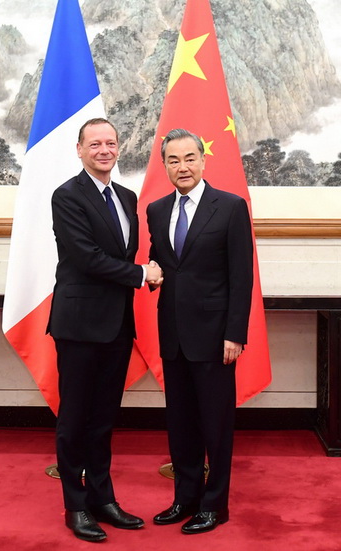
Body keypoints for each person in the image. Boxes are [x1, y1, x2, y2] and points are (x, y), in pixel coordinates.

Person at [47, 118, 162, 542]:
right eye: (94, 144)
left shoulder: (127, 197)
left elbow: (119, 253)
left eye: (110, 143)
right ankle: (75, 506)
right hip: (78, 326)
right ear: (79, 150)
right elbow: (86, 257)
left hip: (116, 326)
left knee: (102, 420)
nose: (104, 150)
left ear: (118, 148)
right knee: (75, 419)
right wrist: (142, 274)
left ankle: (102, 498)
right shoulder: (67, 195)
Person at [147, 128, 253, 535]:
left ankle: (214, 505)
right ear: (164, 166)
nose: (183, 167)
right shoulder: (156, 210)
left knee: (216, 426)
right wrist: (150, 273)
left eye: (190, 158)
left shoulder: (230, 207)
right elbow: (162, 262)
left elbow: (241, 277)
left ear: (203, 160)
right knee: (181, 424)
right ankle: (185, 498)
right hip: (173, 335)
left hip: (215, 337)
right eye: (173, 160)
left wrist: (235, 333)